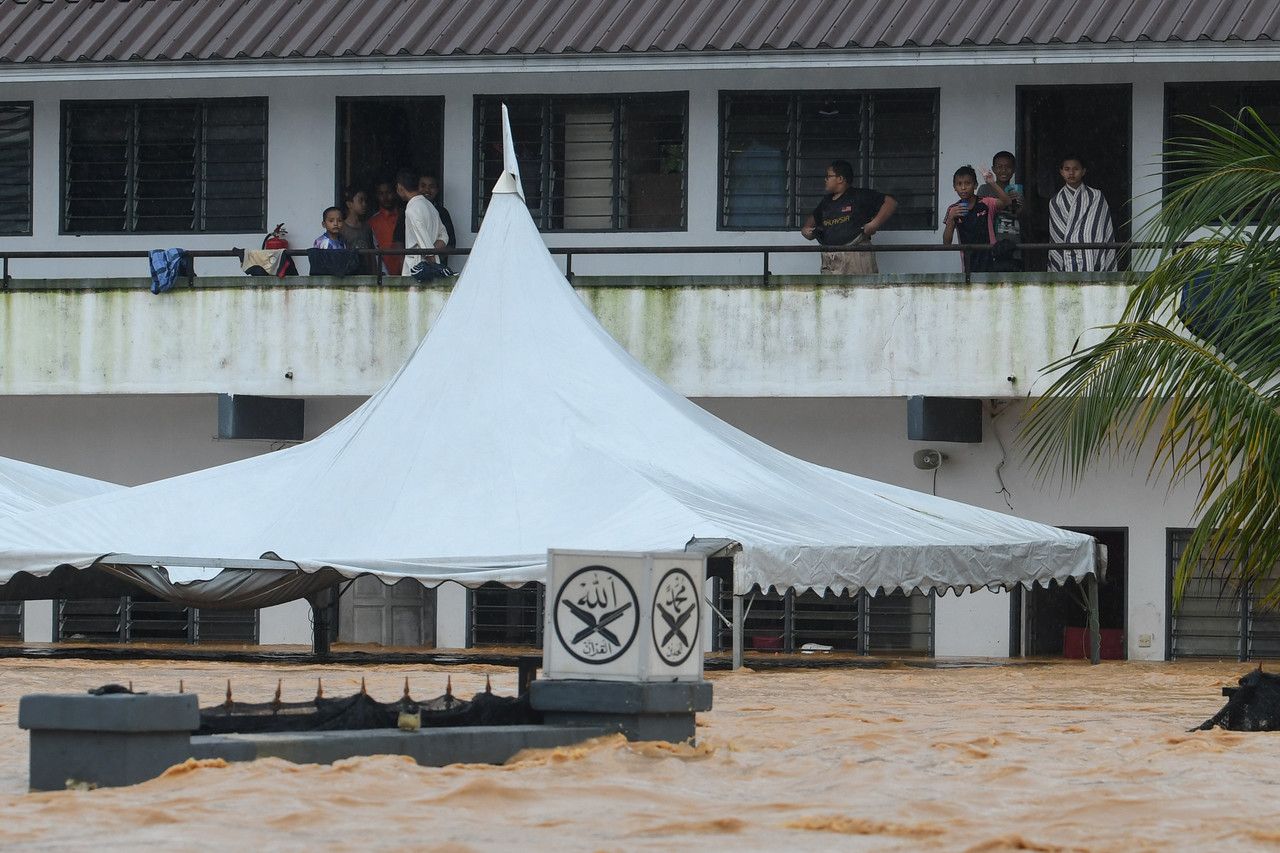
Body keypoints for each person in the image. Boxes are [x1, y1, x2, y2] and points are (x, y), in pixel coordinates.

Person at [800, 160, 896, 274]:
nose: (825, 180)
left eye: (828, 176)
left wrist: (874, 224)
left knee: (860, 290)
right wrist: (806, 230)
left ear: (840, 179)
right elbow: (813, 219)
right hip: (830, 258)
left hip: (855, 255)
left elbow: (890, 202)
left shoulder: (860, 196)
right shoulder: (826, 202)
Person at [1049, 155, 1117, 272]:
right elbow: (1057, 235)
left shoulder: (1096, 196)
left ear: (1083, 171)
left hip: (1092, 253)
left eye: (1076, 169)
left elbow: (1101, 228)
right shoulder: (1056, 201)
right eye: (1067, 169)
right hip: (1067, 255)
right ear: (1061, 172)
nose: (1071, 173)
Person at [943, 165, 1011, 273]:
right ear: (954, 187)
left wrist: (992, 183)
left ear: (975, 185)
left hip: (991, 257)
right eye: (959, 184)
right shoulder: (953, 209)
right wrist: (951, 218)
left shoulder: (986, 202)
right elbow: (946, 243)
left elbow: (1007, 202)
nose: (963, 188)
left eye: (967, 183)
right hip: (968, 262)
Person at [395, 169, 448, 278]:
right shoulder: (430, 206)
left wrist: (431, 259)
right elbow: (444, 236)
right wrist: (434, 255)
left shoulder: (412, 208)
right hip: (433, 263)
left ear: (400, 188)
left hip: (418, 268)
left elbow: (422, 238)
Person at [976, 150, 1024, 271]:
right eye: (999, 167)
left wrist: (1019, 204)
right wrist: (1003, 201)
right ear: (993, 169)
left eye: (1008, 167)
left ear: (1014, 169)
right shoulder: (985, 189)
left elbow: (1021, 215)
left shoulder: (1017, 190)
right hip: (992, 242)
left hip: (1014, 241)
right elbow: (982, 214)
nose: (1003, 170)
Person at [340, 186, 380, 275]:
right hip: (349, 275)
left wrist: (375, 274)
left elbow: (372, 254)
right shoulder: (341, 228)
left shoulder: (367, 227)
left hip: (367, 275)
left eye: (365, 201)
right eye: (360, 200)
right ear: (349, 204)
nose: (364, 204)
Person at [368, 180, 403, 275]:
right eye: (381, 193)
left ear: (395, 193)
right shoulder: (372, 222)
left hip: (408, 271)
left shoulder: (405, 216)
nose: (385, 197)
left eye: (388, 192)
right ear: (376, 196)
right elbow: (374, 251)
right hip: (383, 276)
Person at [418, 174, 456, 250]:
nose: (427, 190)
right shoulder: (408, 211)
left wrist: (435, 258)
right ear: (417, 188)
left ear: (437, 190)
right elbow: (399, 241)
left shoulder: (442, 213)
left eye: (431, 187)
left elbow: (451, 243)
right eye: (423, 186)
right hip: (413, 260)